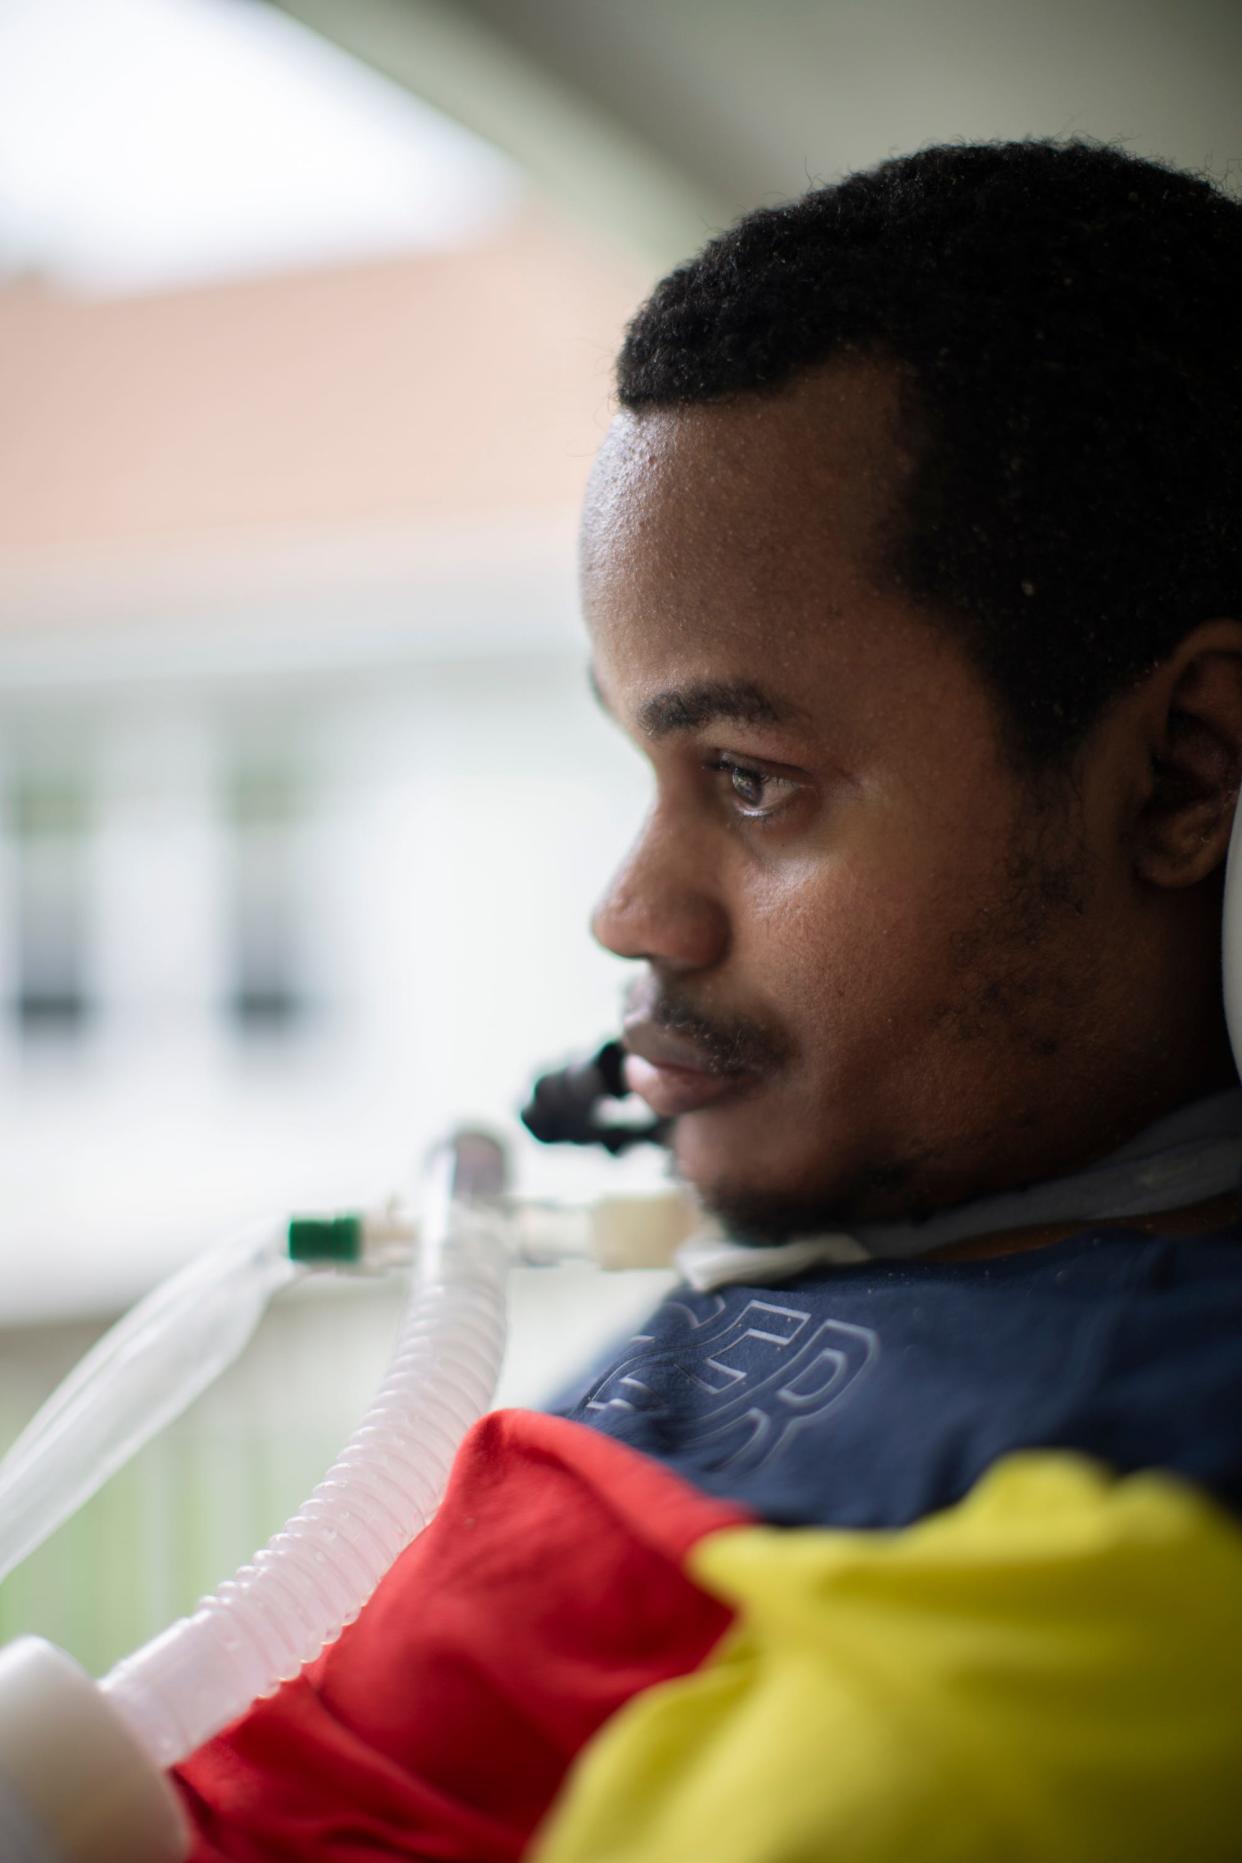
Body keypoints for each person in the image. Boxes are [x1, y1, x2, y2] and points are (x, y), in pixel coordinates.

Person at [177, 139, 1242, 1861]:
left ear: (1181, 771)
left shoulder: (1077, 1599)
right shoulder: (914, 1248)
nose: (626, 907)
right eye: (642, 764)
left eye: (750, 781)